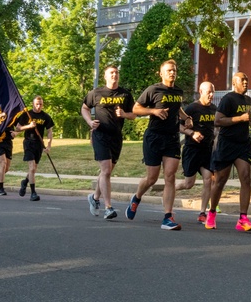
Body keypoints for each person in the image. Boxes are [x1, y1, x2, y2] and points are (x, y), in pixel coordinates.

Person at [127, 60, 192, 230]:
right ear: (161, 73)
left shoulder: (177, 91)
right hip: (154, 137)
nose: (172, 73)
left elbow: (177, 108)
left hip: (171, 138)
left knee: (170, 176)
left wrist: (186, 117)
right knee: (152, 178)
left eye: (174, 70)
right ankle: (136, 197)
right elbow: (136, 109)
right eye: (169, 70)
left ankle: (167, 217)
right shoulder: (153, 89)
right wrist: (153, 111)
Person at [206, 72, 251, 232]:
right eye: (243, 80)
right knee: (220, 180)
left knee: (246, 178)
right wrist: (239, 119)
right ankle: (212, 213)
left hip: (242, 144)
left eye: (247, 79)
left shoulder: (247, 100)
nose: (246, 82)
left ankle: (243, 218)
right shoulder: (228, 98)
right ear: (234, 83)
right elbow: (218, 121)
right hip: (226, 144)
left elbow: (246, 117)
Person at [82, 65, 135, 218]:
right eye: (111, 73)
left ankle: (94, 198)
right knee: (106, 170)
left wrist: (124, 114)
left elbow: (134, 115)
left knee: (108, 171)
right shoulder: (96, 93)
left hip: (116, 137)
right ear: (105, 76)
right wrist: (90, 122)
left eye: (116, 73)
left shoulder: (125, 94)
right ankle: (108, 208)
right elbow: (84, 108)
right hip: (100, 135)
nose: (114, 75)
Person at [176, 81, 216, 223]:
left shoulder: (214, 109)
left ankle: (202, 212)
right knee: (188, 184)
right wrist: (192, 133)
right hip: (192, 150)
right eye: (208, 92)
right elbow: (179, 127)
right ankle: (171, 190)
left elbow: (215, 128)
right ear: (200, 92)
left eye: (212, 92)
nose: (211, 95)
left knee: (209, 180)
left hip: (207, 150)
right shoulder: (192, 108)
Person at [17, 95, 53, 202]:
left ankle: (24, 182)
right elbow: (18, 128)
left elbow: (50, 131)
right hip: (28, 143)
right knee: (32, 168)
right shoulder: (27, 114)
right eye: (37, 104)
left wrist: (48, 145)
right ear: (33, 104)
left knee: (33, 169)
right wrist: (29, 126)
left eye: (41, 104)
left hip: (39, 144)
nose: (39, 106)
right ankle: (33, 193)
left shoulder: (45, 116)